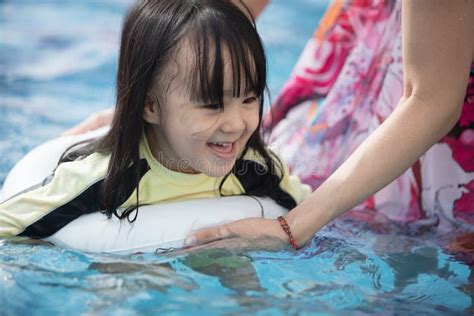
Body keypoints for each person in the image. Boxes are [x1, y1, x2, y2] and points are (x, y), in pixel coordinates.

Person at [0, 0, 311, 238]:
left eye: (249, 99)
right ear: (150, 106)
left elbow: (310, 213)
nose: (236, 123)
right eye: (213, 105)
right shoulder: (106, 179)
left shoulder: (256, 168)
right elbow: (8, 227)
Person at [184, 0, 474, 248]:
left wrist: (292, 227)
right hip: (369, 51)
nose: (233, 124)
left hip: (432, 125)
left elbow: (430, 100)